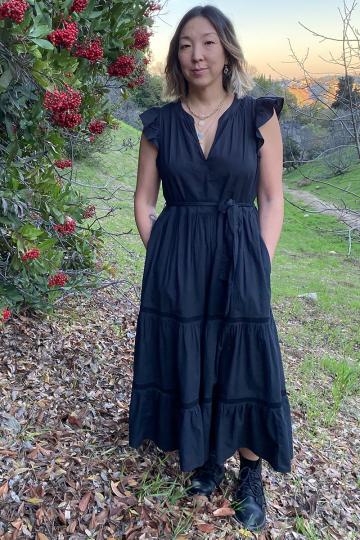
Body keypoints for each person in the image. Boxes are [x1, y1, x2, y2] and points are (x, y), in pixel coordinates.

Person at [128, 4, 294, 532]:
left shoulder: (258, 116)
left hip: (240, 257)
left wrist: (259, 262)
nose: (196, 55)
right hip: (177, 266)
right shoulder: (158, 123)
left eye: (207, 43)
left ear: (226, 51)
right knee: (191, 351)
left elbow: (272, 199)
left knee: (243, 357)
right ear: (176, 57)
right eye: (184, 45)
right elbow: (143, 201)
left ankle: (249, 472)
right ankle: (202, 456)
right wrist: (165, 255)